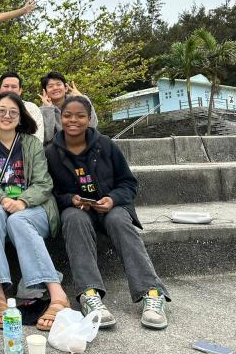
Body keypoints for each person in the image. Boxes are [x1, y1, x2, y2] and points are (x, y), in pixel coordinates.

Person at [45, 96, 170, 330]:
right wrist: (69, 199)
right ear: (61, 118)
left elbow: (128, 183)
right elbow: (51, 191)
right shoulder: (51, 153)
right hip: (78, 210)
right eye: (68, 115)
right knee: (73, 219)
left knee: (119, 220)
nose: (73, 120)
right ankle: (89, 295)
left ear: (89, 118)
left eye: (80, 115)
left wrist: (112, 199)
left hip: (110, 207)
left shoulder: (106, 145)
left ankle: (151, 293)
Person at [0, 91, 70, 331]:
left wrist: (22, 201)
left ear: (21, 117)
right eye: (1, 111)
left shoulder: (31, 144)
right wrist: (1, 199)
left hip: (35, 208)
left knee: (18, 221)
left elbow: (44, 183)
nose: (7, 116)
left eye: (13, 112)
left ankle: (57, 293)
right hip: (1, 206)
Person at [39, 71, 98, 146]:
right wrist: (48, 109)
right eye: (50, 86)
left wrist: (83, 100)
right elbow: (47, 137)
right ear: (45, 92)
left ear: (66, 88)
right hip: (56, 152)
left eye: (58, 84)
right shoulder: (41, 111)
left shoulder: (78, 103)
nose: (55, 88)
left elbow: (92, 125)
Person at [0, 72, 44, 142]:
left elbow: (38, 138)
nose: (9, 90)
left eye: (14, 87)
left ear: (20, 91)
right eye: (6, 86)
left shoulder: (31, 108)